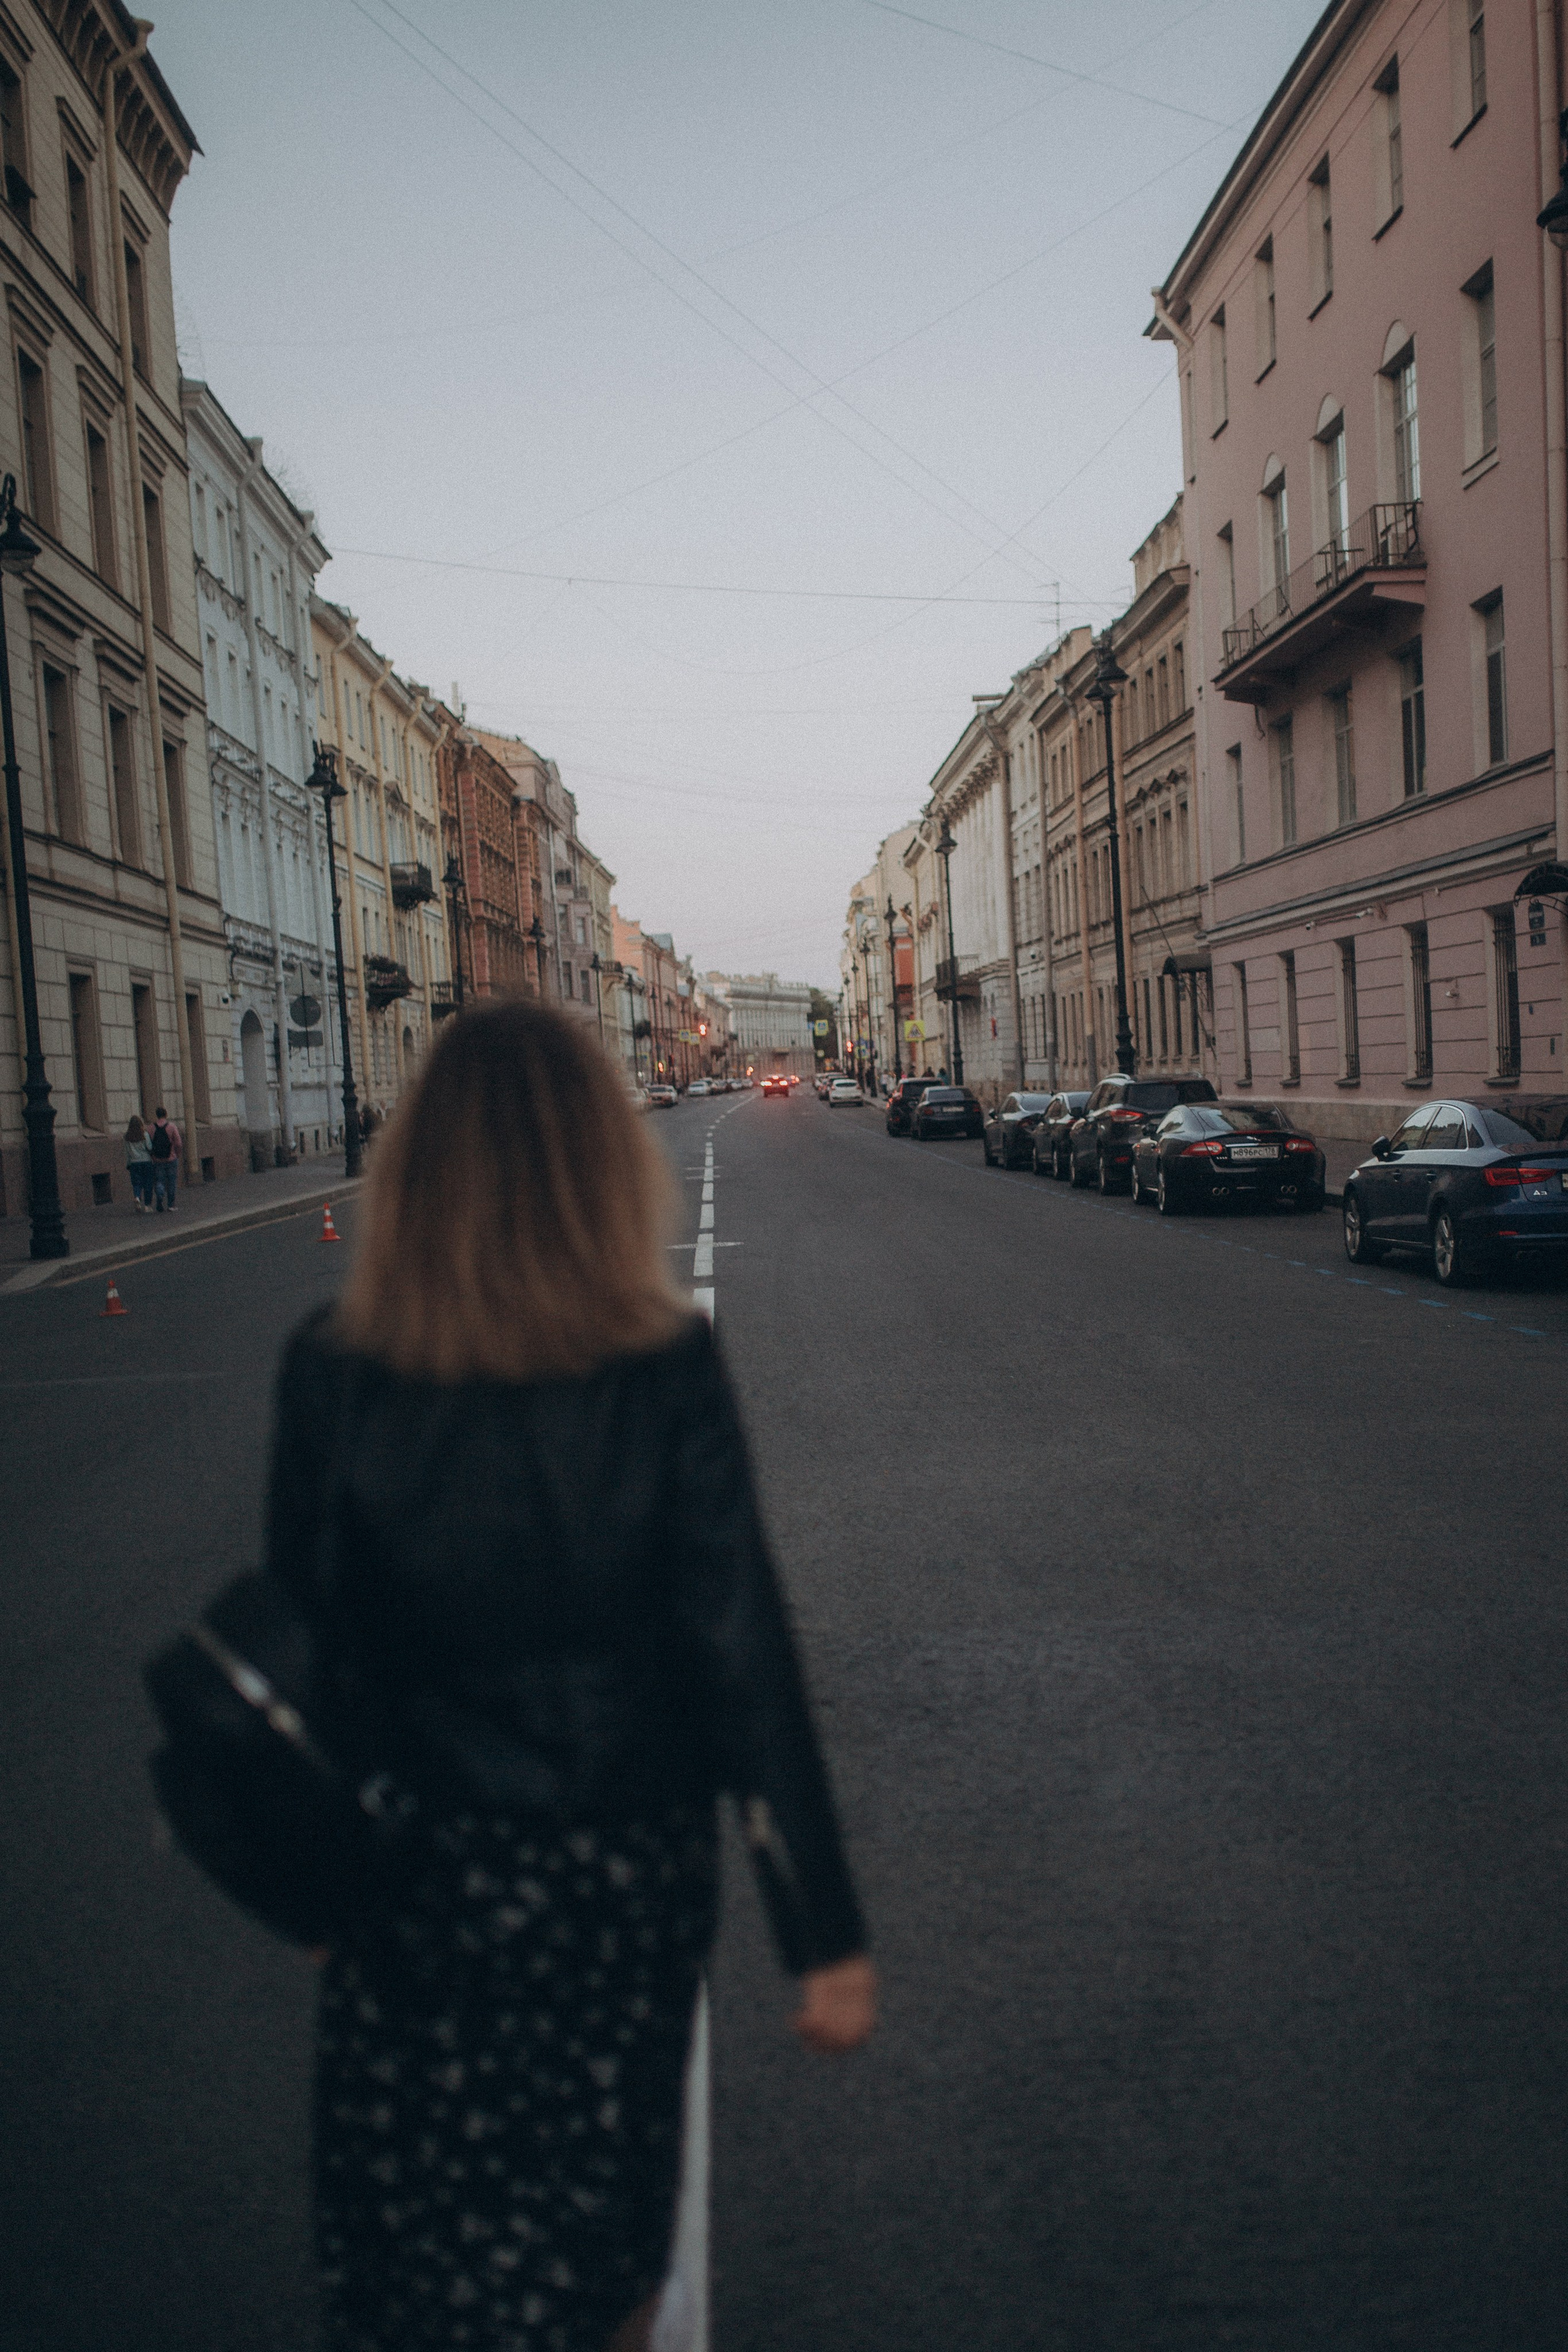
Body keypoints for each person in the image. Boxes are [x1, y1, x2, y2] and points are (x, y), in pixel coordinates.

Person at [265, 1000, 875, 2352]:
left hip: (408, 1880)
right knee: (599, 2261)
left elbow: (308, 1655)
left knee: (418, 2255)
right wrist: (819, 1929)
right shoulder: (655, 1367)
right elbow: (737, 1645)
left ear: (413, 1171)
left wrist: (314, 1884)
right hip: (617, 1880)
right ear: (602, 1164)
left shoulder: (332, 1370)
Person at [147, 1106, 181, 1211]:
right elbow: (179, 1143)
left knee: (159, 1181)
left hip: (157, 1160)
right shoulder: (172, 1127)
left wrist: (152, 1156)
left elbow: (148, 1145)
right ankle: (171, 1205)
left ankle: (160, 1196)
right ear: (166, 1114)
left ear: (156, 1115)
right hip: (171, 1159)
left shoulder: (151, 1128)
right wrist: (177, 1154)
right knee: (171, 1181)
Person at [124, 1113, 153, 1212]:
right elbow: (149, 1147)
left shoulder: (127, 1137)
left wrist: (128, 1164)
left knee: (136, 1183)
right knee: (147, 1183)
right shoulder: (144, 1134)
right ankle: (147, 1206)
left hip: (134, 1163)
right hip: (146, 1162)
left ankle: (137, 1196)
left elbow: (127, 1152)